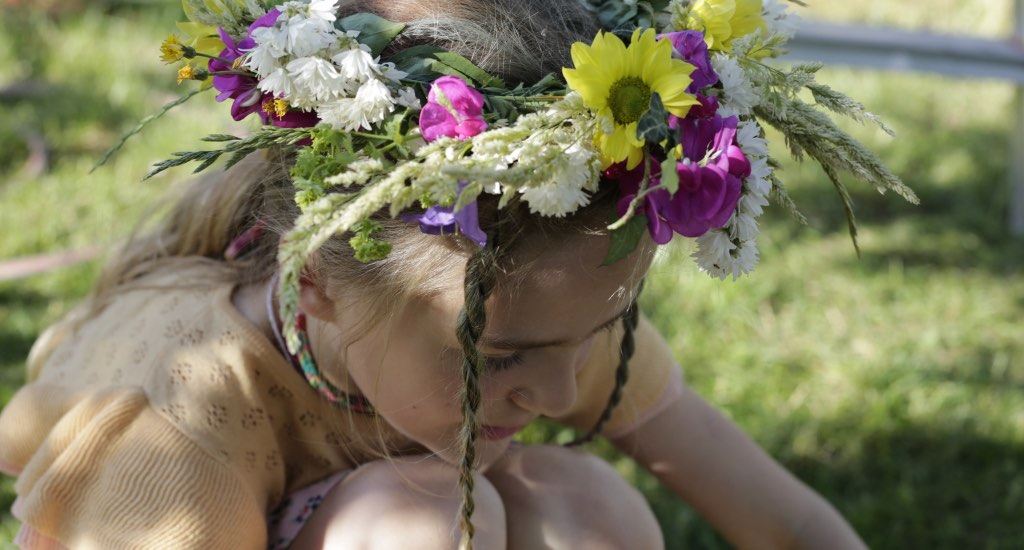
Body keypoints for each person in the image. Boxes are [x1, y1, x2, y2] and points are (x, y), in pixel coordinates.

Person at [0, 0, 903, 548]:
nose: (555, 390)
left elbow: (785, 526)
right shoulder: (179, 416)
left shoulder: (541, 313)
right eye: (499, 359)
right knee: (418, 527)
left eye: (592, 338)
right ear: (317, 278)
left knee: (589, 513)